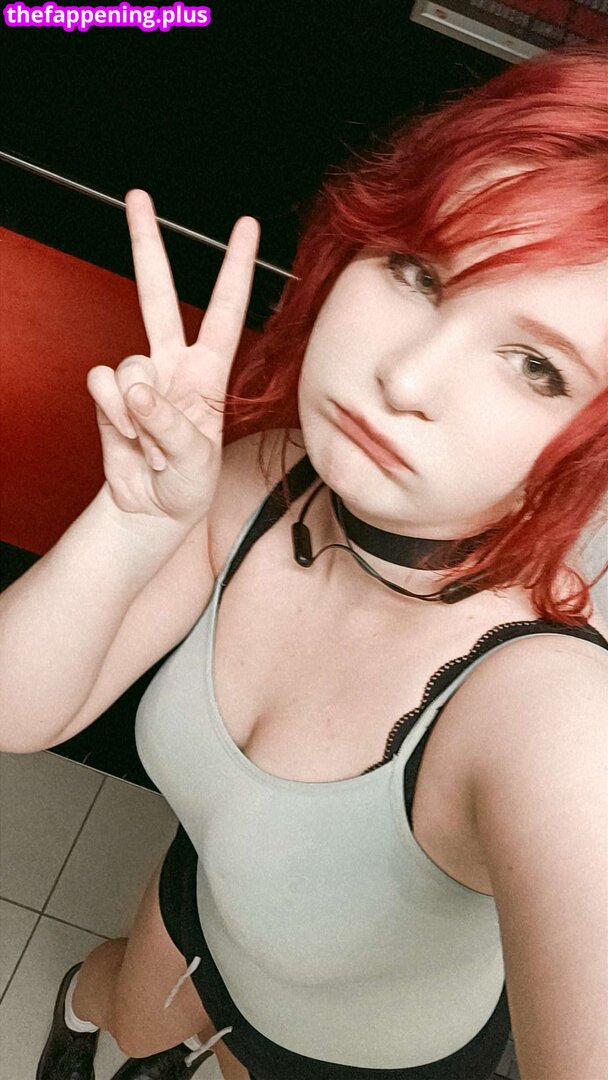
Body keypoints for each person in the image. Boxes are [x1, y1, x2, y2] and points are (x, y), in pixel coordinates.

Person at [1, 39, 605, 1080]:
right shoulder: (267, 475)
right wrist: (132, 522)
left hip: (334, 1055)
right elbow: (15, 712)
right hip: (192, 906)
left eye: (535, 366)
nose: (405, 376)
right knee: (110, 1019)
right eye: (420, 272)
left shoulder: (546, 717)